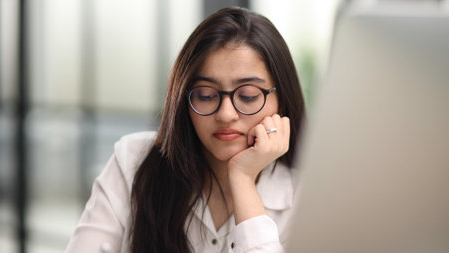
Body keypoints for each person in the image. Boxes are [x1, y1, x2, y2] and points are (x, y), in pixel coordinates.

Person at [66, 7, 305, 253]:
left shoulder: (306, 195)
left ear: (282, 100)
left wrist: (243, 180)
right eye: (205, 95)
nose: (225, 114)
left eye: (247, 95)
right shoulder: (133, 160)